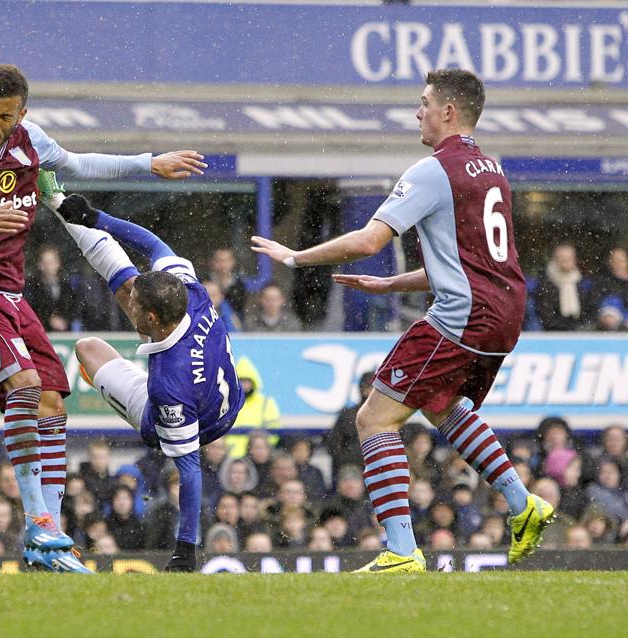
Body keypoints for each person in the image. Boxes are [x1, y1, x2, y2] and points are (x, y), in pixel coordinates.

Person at [0, 63, 203, 573]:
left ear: (23, 113)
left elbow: (82, 163)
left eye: (5, 116)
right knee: (23, 383)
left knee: (52, 398)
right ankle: (36, 520)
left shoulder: (30, 141)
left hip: (9, 295)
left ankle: (50, 543)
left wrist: (150, 164)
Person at [251, 68, 552, 572]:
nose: (418, 111)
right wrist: (390, 285)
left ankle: (400, 550)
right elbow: (471, 261)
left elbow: (370, 241)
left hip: (464, 315)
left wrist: (295, 258)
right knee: (441, 404)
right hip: (504, 314)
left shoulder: (432, 170)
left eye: (424, 102)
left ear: (448, 112)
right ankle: (524, 504)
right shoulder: (491, 169)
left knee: (373, 419)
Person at [42, 178, 243, 572]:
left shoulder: (168, 388)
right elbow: (153, 244)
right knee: (126, 279)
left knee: (87, 349)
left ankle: (56, 202)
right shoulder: (191, 292)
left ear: (152, 319)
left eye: (134, 306)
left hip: (197, 420)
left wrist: (187, 548)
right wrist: (95, 217)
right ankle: (60, 202)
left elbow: (190, 470)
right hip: (224, 393)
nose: (126, 302)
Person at [223, 356, 280, 458]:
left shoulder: (266, 402)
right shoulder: (227, 402)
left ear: (254, 381)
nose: (244, 385)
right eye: (241, 381)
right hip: (228, 456)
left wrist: (260, 449)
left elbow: (274, 431)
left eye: (247, 381)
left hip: (257, 457)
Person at [533, 244, 591, 331]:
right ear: (555, 260)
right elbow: (545, 315)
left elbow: (589, 310)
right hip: (553, 333)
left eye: (569, 258)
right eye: (562, 258)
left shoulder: (582, 283)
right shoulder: (545, 283)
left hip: (579, 332)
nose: (565, 262)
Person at [24, 246, 77, 332]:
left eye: (50, 262)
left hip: (65, 333)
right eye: (44, 263)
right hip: (41, 332)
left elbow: (74, 308)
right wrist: (49, 320)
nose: (47, 267)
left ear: (58, 263)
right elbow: (30, 309)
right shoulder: (32, 286)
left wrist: (65, 321)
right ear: (39, 264)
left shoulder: (66, 286)